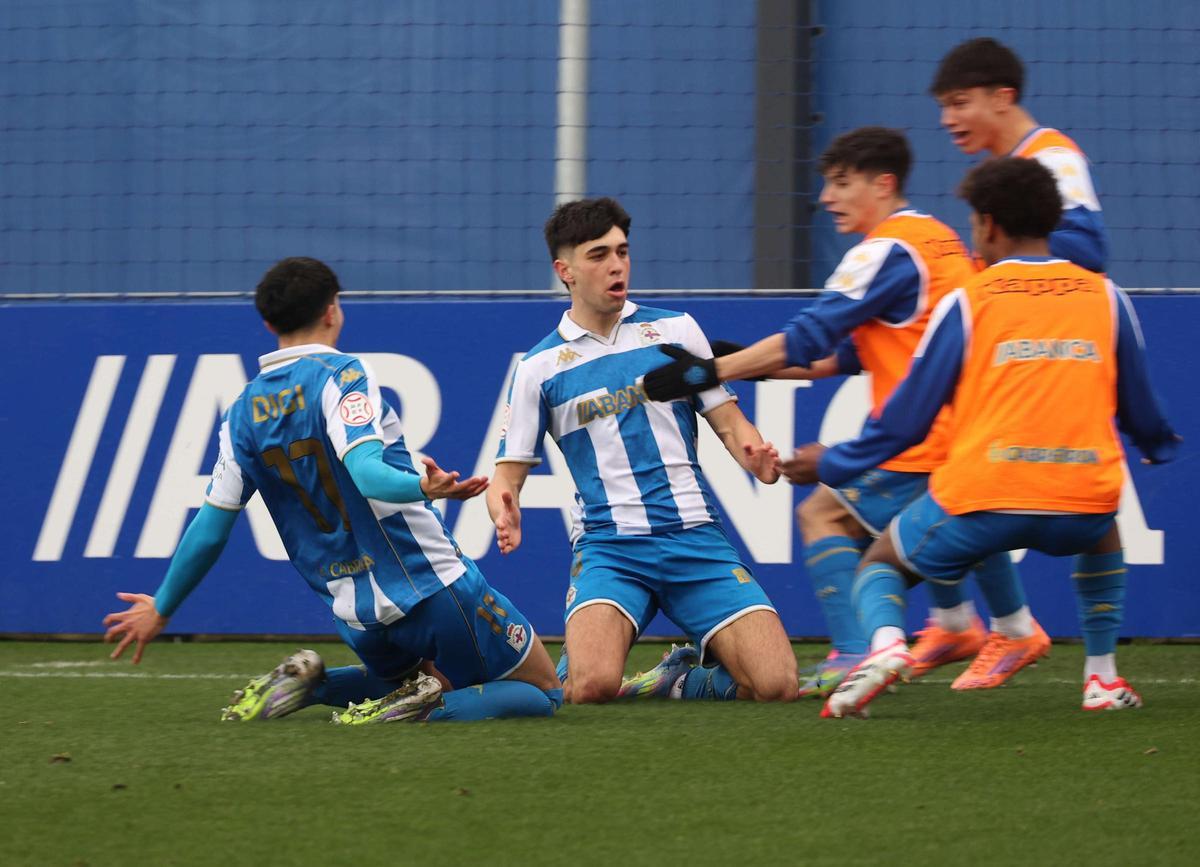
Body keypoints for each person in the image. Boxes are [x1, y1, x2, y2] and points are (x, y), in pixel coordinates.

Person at [642, 127, 1047, 695]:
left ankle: (858, 654)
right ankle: (979, 626)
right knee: (958, 527)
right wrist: (751, 363)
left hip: (925, 439)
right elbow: (850, 354)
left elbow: (810, 337)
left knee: (822, 517)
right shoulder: (938, 239)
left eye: (840, 183)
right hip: (969, 433)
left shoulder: (884, 250)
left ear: (883, 184)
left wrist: (710, 373)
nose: (827, 198)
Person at [779, 157, 1178, 718]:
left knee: (882, 561)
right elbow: (1140, 409)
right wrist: (1160, 446)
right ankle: (1102, 678)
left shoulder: (969, 301)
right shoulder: (1106, 296)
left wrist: (835, 462)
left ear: (988, 224)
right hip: (1079, 502)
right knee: (1105, 530)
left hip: (985, 498)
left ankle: (888, 647)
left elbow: (906, 421)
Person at [102, 257, 562, 724]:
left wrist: (161, 608)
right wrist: (424, 486)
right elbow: (366, 473)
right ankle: (417, 713)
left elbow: (211, 527)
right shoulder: (341, 374)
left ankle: (315, 685)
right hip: (432, 589)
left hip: (354, 617)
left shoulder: (240, 412)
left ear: (267, 322)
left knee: (420, 680)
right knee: (544, 691)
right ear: (331, 311)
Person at [487, 197, 797, 704]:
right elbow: (507, 474)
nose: (616, 265)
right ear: (564, 271)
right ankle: (586, 659)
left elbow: (729, 423)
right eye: (598, 255)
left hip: (695, 539)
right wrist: (504, 506)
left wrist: (755, 455)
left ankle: (681, 680)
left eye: (622, 251)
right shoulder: (539, 368)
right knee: (590, 687)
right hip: (611, 549)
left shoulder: (675, 331)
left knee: (778, 685)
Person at [932, 36, 1108, 273]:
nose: (947, 120)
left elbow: (1088, 249)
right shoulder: (1000, 166)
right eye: (944, 106)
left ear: (1002, 98)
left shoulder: (1053, 158)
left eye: (960, 104)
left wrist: (1007, 240)